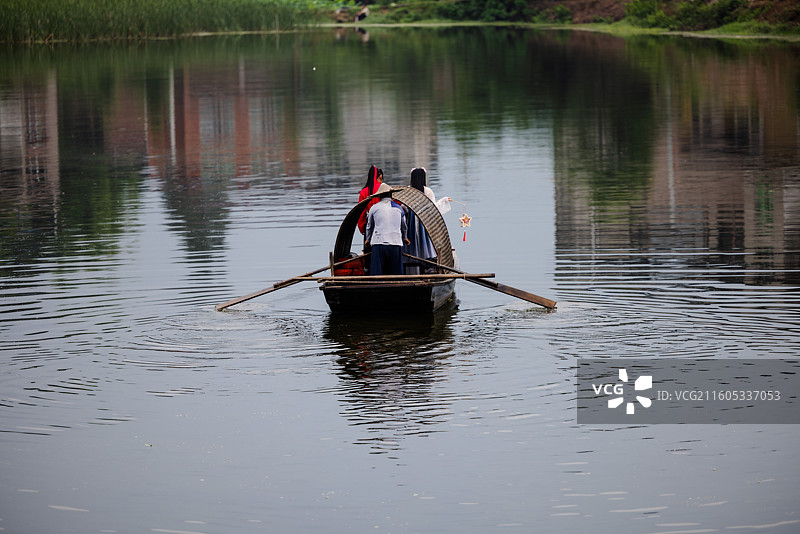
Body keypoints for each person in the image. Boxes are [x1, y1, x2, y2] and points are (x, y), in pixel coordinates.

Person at [404, 167, 450, 274]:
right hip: (423, 222)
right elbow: (433, 209)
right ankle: (426, 268)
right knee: (424, 245)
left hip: (410, 222)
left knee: (412, 245)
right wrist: (444, 201)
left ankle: (411, 271)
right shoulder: (427, 191)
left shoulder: (407, 190)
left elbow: (404, 208)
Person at [365, 183, 409, 276]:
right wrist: (405, 238)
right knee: (396, 275)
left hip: (378, 243)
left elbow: (369, 227)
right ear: (391, 195)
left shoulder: (374, 208)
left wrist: (368, 240)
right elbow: (404, 226)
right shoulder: (399, 208)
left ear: (380, 195)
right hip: (395, 243)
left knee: (376, 275)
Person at [357, 165, 384, 236]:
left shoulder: (363, 192)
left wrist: (362, 228)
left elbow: (361, 213)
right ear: (380, 176)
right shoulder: (384, 188)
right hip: (384, 222)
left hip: (369, 224)